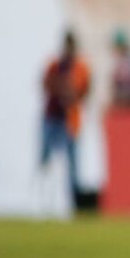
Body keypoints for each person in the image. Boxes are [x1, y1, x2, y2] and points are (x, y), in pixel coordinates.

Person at [40, 30, 91, 204]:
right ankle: (44, 198)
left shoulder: (80, 67)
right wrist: (61, 91)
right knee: (47, 158)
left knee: (72, 163)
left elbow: (86, 88)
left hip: (70, 119)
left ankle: (72, 201)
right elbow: (45, 84)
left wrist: (72, 96)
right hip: (53, 117)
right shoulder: (55, 64)